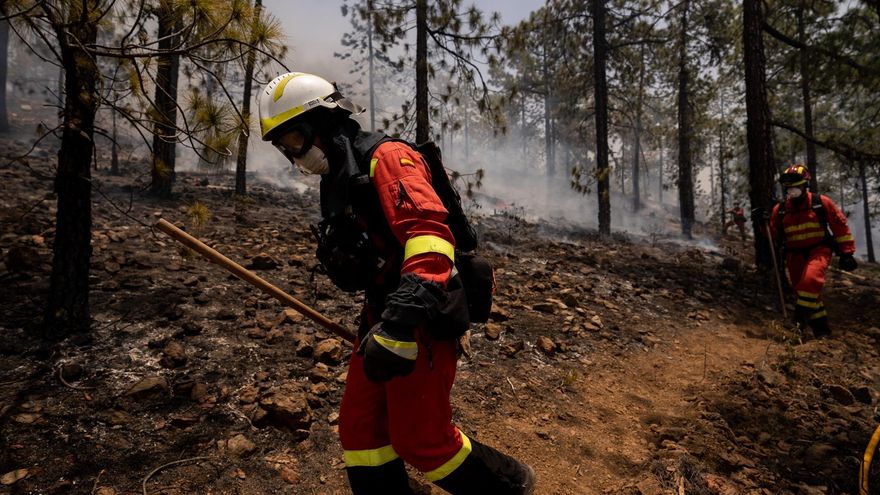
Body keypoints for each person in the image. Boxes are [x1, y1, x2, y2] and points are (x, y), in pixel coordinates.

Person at [258, 72, 535, 494]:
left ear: (325, 121)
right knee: (361, 431)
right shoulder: (341, 176)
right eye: (283, 146)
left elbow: (430, 238)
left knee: (422, 441)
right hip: (382, 314)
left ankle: (511, 485)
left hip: (422, 314)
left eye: (294, 139)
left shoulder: (386, 159)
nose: (292, 153)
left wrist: (401, 323)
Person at [769, 164, 857, 338]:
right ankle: (822, 331)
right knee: (806, 293)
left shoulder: (820, 203)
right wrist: (762, 222)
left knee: (810, 282)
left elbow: (840, 227)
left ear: (805, 185)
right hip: (793, 255)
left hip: (818, 250)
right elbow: (774, 236)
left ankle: (797, 326)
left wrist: (847, 253)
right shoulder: (780, 209)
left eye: (796, 186)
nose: (792, 190)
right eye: (788, 187)